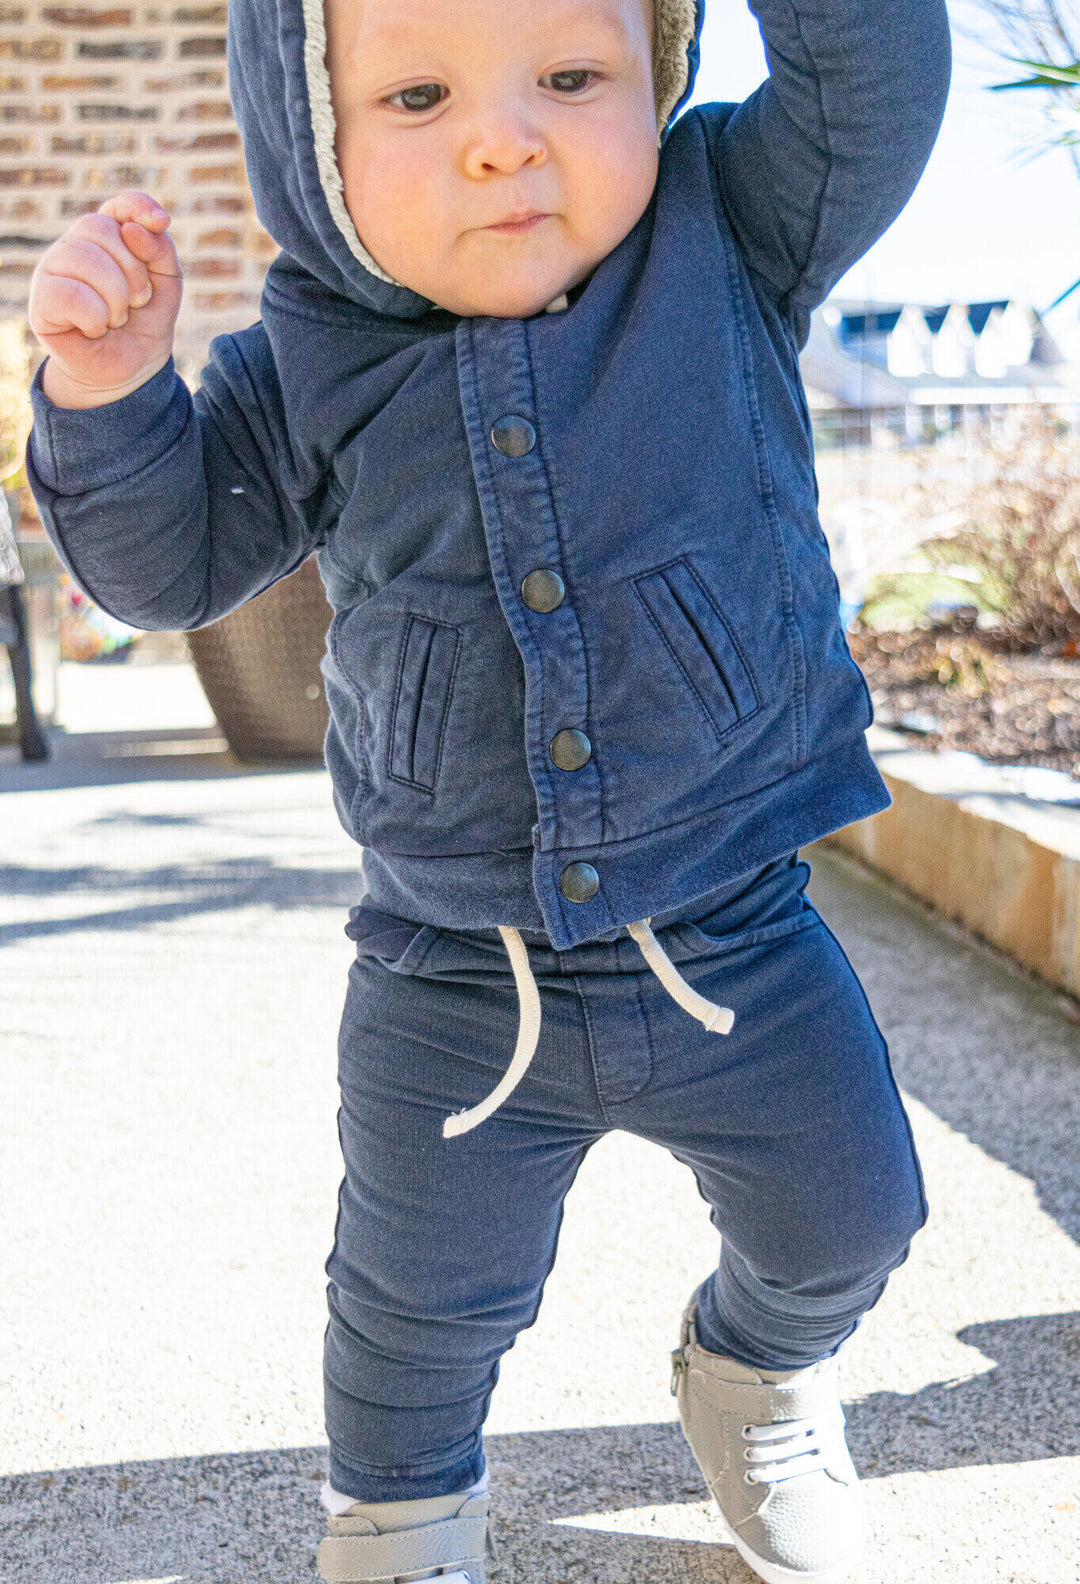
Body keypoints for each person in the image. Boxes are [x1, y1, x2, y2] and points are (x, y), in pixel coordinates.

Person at [24, 0, 949, 1578]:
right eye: (420, 94)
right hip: (456, 971)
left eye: (573, 77)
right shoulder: (306, 359)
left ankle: (760, 1374)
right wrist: (110, 392)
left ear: (656, 77)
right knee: (412, 1306)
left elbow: (871, 84)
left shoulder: (727, 238)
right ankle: (398, 1513)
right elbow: (169, 567)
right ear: (312, 148)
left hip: (735, 935)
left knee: (853, 1214)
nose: (504, 136)